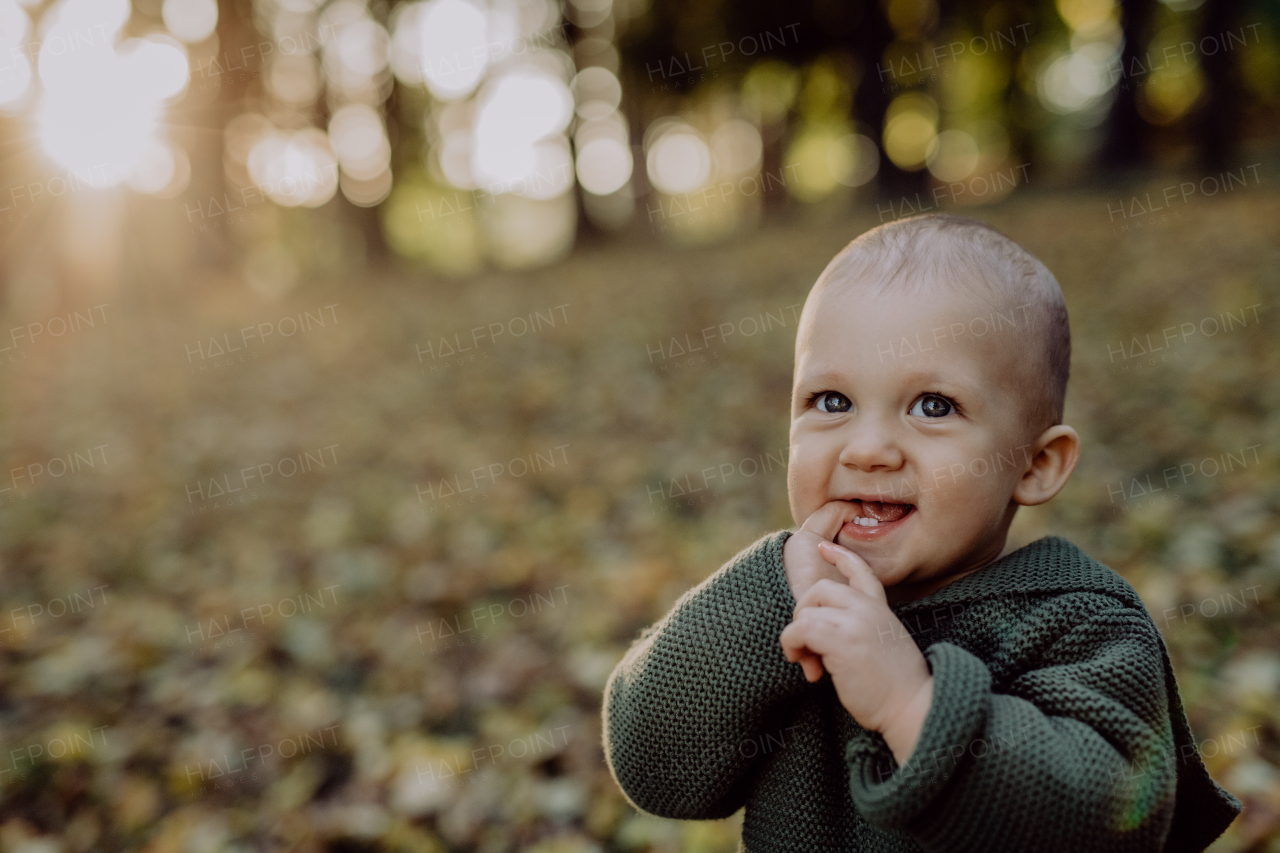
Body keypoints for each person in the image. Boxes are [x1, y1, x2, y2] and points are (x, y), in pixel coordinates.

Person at [601, 213, 1240, 852]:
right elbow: (653, 770)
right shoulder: (784, 606)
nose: (870, 448)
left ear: (1035, 465)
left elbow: (1107, 827)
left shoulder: (1078, 624)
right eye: (831, 402)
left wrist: (912, 705)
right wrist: (774, 597)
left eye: (933, 406)